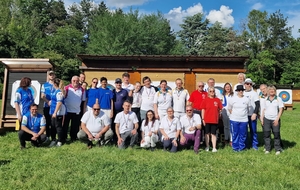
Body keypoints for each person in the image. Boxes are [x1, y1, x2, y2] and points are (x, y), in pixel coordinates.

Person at [261, 85, 284, 155]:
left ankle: (277, 149)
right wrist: (262, 119)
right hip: (267, 119)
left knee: (276, 134)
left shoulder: (278, 99)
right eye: (270, 90)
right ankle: (268, 148)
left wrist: (277, 119)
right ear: (268, 91)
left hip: (275, 119)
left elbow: (281, 109)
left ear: (275, 91)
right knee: (266, 134)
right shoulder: (265, 99)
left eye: (273, 90)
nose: (271, 91)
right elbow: (264, 110)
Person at [63, 76, 86, 142]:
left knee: (75, 126)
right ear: (71, 81)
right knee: (65, 125)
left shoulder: (82, 89)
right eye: (74, 80)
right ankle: (64, 137)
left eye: (77, 81)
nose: (75, 82)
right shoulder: (66, 88)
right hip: (67, 110)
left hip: (76, 111)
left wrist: (83, 111)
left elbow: (83, 101)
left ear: (79, 81)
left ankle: (73, 138)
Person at [227, 85, 250, 152]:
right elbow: (229, 108)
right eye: (239, 90)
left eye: (242, 90)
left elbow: (248, 109)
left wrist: (243, 114)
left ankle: (241, 147)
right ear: (237, 91)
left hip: (244, 119)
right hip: (234, 119)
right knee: (235, 133)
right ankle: (235, 147)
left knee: (243, 134)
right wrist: (234, 114)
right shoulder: (233, 99)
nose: (241, 92)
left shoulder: (246, 99)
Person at [201, 87, 223, 152]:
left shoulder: (217, 100)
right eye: (210, 91)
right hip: (207, 120)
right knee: (207, 134)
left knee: (213, 134)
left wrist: (219, 115)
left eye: (213, 91)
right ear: (208, 92)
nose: (212, 92)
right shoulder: (205, 100)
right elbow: (203, 110)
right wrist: (203, 119)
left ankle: (214, 147)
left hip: (214, 120)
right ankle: (207, 146)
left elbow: (221, 109)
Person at [49, 78, 66, 147]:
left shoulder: (59, 92)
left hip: (57, 112)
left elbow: (59, 103)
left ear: (55, 84)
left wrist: (55, 112)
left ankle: (59, 141)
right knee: (53, 126)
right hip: (52, 111)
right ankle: (53, 139)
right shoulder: (55, 91)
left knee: (58, 127)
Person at [244, 78, 260, 150]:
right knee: (244, 131)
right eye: (247, 84)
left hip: (252, 115)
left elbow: (257, 104)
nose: (249, 85)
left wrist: (255, 113)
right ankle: (246, 145)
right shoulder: (242, 92)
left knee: (253, 130)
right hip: (243, 115)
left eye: (250, 84)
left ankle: (254, 145)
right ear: (245, 84)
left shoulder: (254, 93)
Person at [41, 71, 55, 141]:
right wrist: (48, 101)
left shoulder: (56, 84)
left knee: (53, 122)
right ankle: (47, 136)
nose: (52, 76)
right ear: (48, 76)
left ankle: (53, 136)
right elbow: (42, 96)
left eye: (53, 75)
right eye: (50, 75)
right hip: (47, 106)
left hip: (54, 106)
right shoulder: (44, 85)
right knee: (47, 122)